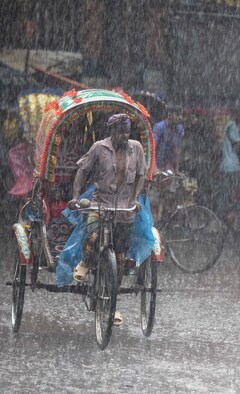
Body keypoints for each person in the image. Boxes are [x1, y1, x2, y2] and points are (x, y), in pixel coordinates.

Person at [68, 113, 146, 327]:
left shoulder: (136, 148)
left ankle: (112, 302)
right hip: (100, 206)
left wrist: (135, 198)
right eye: (120, 131)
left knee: (120, 259)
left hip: (125, 210)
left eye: (127, 132)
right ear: (111, 131)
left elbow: (141, 176)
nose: (124, 136)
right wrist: (76, 197)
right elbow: (81, 172)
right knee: (92, 237)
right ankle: (86, 261)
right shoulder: (98, 148)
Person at [219, 106, 240, 230]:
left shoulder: (231, 125)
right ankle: (237, 219)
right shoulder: (233, 127)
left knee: (228, 191)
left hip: (229, 165)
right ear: (238, 115)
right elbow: (238, 145)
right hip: (232, 165)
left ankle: (226, 216)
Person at [153, 107, 184, 171]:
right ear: (169, 115)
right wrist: (154, 168)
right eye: (177, 114)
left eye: (181, 115)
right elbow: (152, 148)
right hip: (156, 162)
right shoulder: (159, 127)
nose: (180, 117)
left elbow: (178, 150)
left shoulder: (179, 129)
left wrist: (176, 170)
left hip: (168, 164)